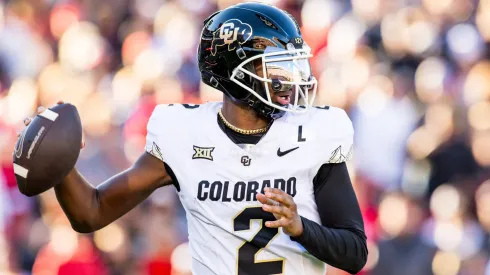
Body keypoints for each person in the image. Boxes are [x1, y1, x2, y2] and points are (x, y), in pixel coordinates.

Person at [20, 3, 367, 275]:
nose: (291, 80)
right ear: (234, 71)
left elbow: (354, 253)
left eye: (292, 66)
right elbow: (91, 214)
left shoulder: (314, 134)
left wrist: (301, 228)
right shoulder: (183, 135)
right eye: (276, 67)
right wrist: (61, 165)